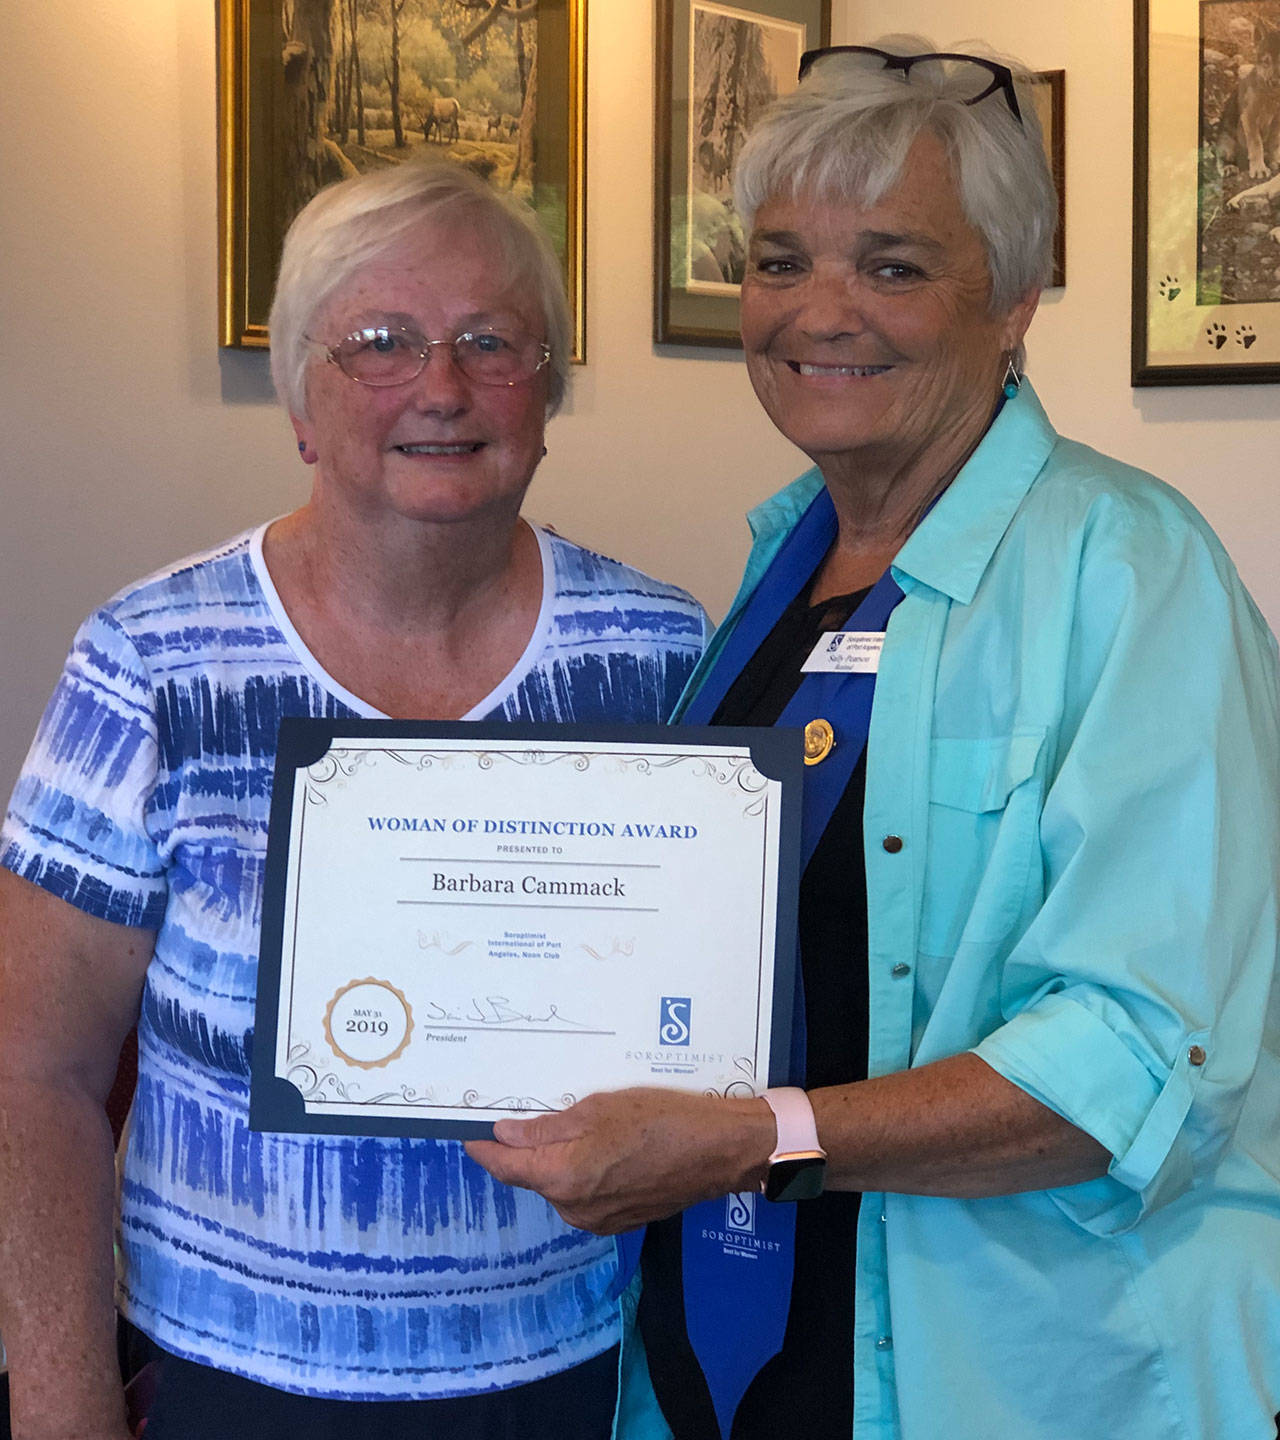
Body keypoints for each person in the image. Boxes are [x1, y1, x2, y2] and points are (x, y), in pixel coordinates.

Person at [469, 40, 1280, 1440]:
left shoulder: (1133, 573)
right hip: (733, 1346)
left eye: (893, 265)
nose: (820, 313)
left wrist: (759, 1141)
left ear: (1013, 300)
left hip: (1023, 1372)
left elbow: (1139, 1065)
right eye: (780, 262)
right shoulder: (785, 567)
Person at [0, 162, 709, 1440]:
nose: (439, 387)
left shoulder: (657, 653)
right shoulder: (155, 660)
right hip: (234, 1379)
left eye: (490, 341)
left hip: (586, 1369)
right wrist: (61, 1406)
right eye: (378, 342)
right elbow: (31, 1070)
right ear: (301, 401)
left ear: (545, 390)